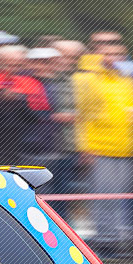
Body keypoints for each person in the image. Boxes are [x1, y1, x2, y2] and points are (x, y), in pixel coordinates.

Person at [74, 31, 133, 257]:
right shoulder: (88, 78)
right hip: (100, 147)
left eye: (119, 54)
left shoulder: (128, 80)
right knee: (104, 196)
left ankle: (119, 240)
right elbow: (82, 115)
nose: (115, 58)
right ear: (99, 55)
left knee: (122, 196)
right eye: (109, 54)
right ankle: (105, 240)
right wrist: (85, 146)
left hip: (127, 147)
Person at [0, 43, 52, 165]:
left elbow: (41, 115)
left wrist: (21, 100)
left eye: (18, 65)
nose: (12, 69)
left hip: (26, 145)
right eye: (7, 65)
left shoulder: (33, 83)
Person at [27, 45, 78, 193]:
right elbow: (27, 113)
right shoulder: (24, 82)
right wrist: (54, 117)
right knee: (39, 192)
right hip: (34, 147)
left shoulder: (63, 82)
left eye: (47, 62)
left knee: (62, 192)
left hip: (63, 146)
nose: (42, 66)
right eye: (37, 62)